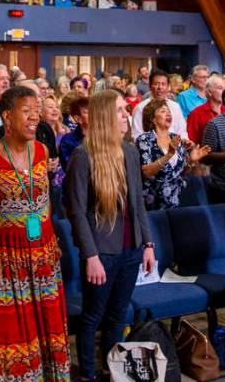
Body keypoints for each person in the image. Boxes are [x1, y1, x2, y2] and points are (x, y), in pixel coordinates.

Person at [0, 86, 70, 379]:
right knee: (8, 333)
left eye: (37, 111)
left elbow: (44, 197)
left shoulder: (42, 151)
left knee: (47, 324)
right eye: (27, 111)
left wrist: (52, 238)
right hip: (4, 259)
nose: (35, 117)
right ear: (7, 117)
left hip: (43, 254)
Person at [65, 90, 155, 382]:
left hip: (131, 247)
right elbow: (77, 212)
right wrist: (90, 256)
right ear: (105, 116)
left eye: (124, 109)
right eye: (118, 110)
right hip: (101, 251)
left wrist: (148, 244)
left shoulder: (129, 150)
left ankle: (112, 370)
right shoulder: (83, 155)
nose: (125, 115)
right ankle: (88, 374)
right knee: (93, 317)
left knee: (118, 316)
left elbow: (138, 203)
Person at [136, 98, 209, 210]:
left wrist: (191, 161)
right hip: (152, 203)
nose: (168, 113)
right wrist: (168, 155)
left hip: (176, 201)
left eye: (169, 111)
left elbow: (181, 174)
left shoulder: (176, 139)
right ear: (153, 119)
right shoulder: (144, 139)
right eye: (163, 111)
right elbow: (146, 172)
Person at [131, 70, 187, 139]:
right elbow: (136, 135)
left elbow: (182, 131)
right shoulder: (140, 108)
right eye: (156, 84)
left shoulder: (175, 106)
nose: (160, 87)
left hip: (175, 146)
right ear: (150, 86)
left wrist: (185, 142)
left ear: (168, 87)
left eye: (163, 84)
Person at [186, 74, 225, 143]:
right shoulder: (196, 113)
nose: (224, 92)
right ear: (209, 92)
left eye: (224, 89)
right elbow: (191, 142)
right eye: (220, 88)